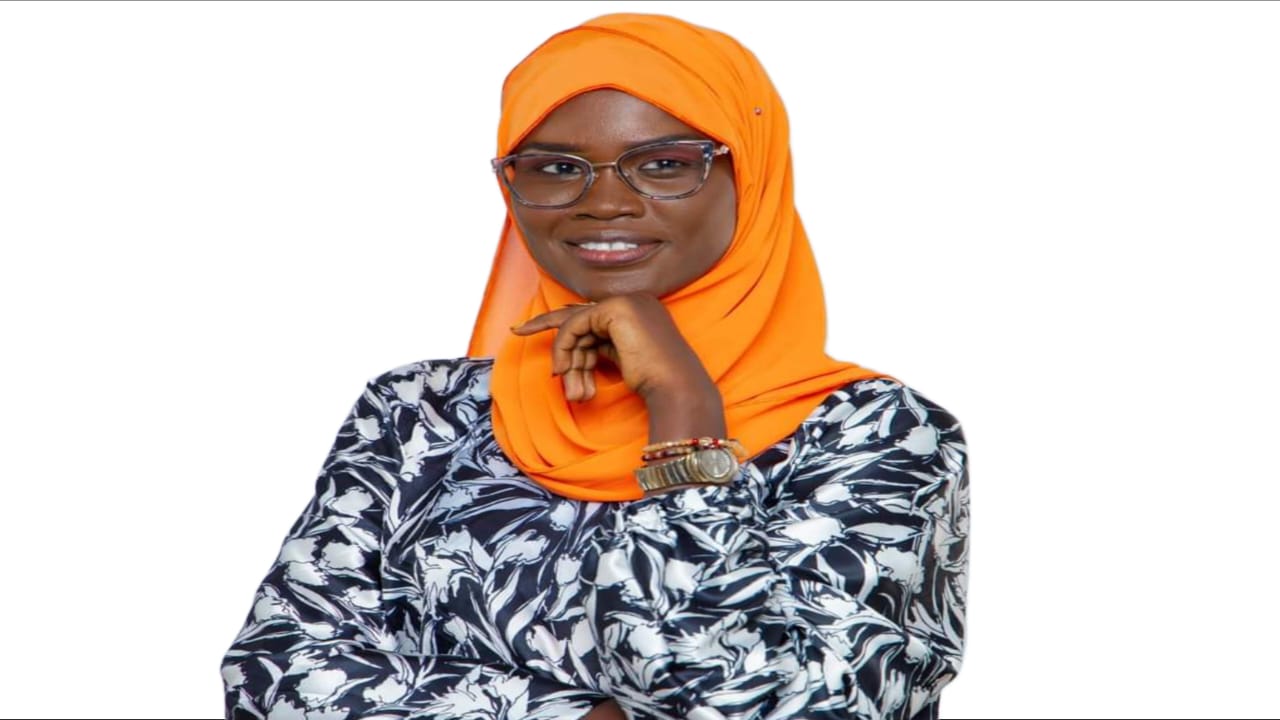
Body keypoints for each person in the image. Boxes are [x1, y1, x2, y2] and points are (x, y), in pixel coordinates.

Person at [221, 13, 969, 720]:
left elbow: (783, 706)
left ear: (752, 174)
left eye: (665, 164)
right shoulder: (419, 414)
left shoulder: (875, 434)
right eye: (555, 168)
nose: (605, 203)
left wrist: (681, 407)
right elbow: (274, 677)